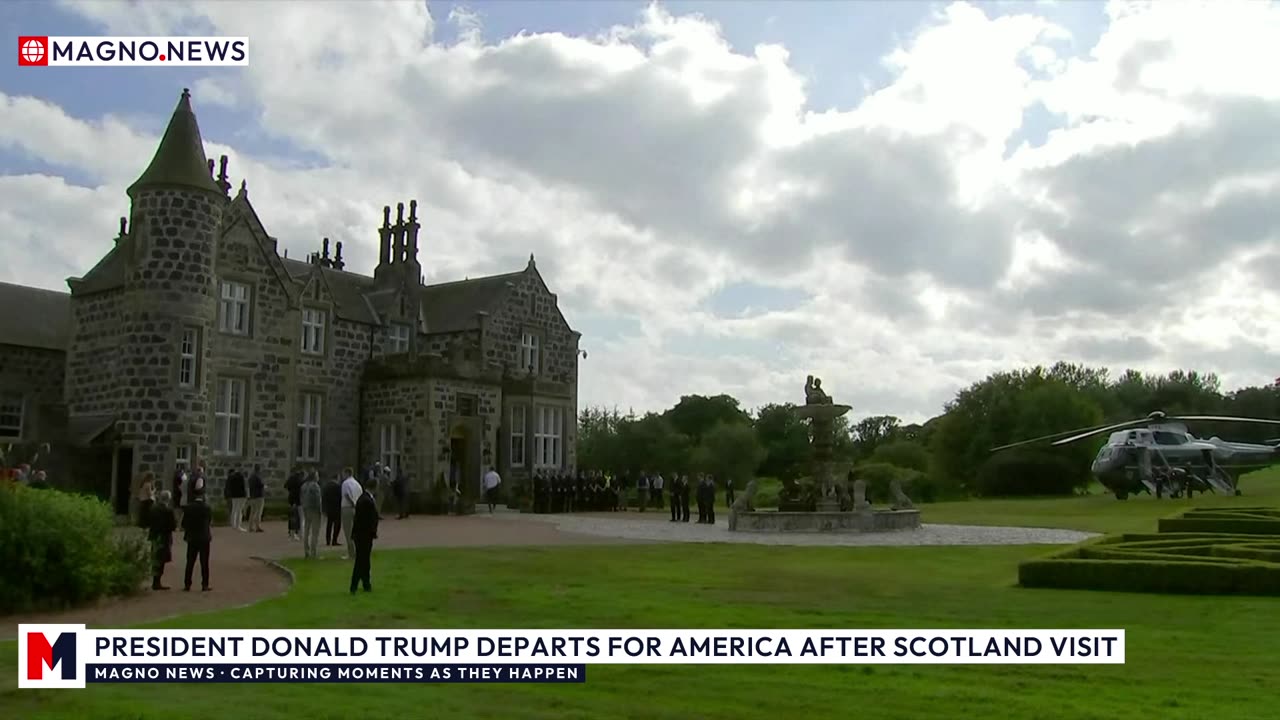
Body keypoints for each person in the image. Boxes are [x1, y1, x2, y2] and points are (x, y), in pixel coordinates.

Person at [350, 485, 379, 594]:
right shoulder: (367, 501)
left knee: (364, 560)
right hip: (364, 535)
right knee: (361, 560)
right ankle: (354, 585)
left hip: (361, 535)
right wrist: (373, 532)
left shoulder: (363, 499)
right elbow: (369, 519)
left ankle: (366, 584)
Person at [181, 491, 213, 592]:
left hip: (192, 537)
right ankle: (205, 584)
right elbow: (209, 521)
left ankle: (187, 584)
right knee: (204, 562)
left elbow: (183, 524)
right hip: (204, 538)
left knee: (190, 562)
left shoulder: (188, 508)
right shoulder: (207, 508)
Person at [147, 490, 177, 590]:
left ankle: (155, 580)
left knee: (155, 557)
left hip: (155, 536)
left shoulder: (153, 509)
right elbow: (173, 526)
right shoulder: (168, 511)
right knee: (161, 559)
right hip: (164, 537)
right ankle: (157, 581)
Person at [340, 467, 362, 560]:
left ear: (347, 473)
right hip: (357, 509)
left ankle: (351, 554)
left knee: (348, 532)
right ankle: (358, 551)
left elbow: (347, 495)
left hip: (347, 508)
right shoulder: (357, 484)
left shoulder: (345, 483)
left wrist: (352, 503)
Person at [300, 471, 323, 559]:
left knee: (307, 530)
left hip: (306, 508)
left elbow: (301, 497)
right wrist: (320, 510)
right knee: (315, 532)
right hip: (314, 509)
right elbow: (318, 499)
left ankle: (306, 551)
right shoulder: (315, 486)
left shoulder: (304, 485)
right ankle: (313, 552)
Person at [323, 473, 342, 546]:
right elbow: (341, 497)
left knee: (329, 524)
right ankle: (334, 540)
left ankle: (328, 540)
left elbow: (324, 497)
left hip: (329, 508)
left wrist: (324, 508)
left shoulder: (326, 486)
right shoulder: (338, 486)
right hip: (337, 508)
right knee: (337, 525)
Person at [285, 469, 304, 541]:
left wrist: (290, 490)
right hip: (299, 501)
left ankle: (291, 533)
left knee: (292, 518)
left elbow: (285, 486)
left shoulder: (291, 479)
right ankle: (300, 534)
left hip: (291, 501)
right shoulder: (301, 481)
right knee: (300, 518)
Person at [247, 465, 265, 532]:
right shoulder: (258, 477)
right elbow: (261, 484)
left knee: (252, 512)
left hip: (252, 496)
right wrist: (264, 485)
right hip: (259, 496)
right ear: (259, 469)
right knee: (258, 512)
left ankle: (250, 527)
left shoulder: (251, 477)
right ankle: (257, 526)